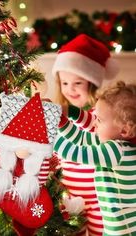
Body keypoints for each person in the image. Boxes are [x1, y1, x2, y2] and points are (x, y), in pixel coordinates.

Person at [51, 34, 119, 236]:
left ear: (92, 83)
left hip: (99, 198)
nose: (69, 89)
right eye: (64, 83)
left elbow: (96, 137)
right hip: (70, 198)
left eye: (77, 83)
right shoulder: (60, 117)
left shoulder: (101, 115)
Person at [53, 81, 136, 236]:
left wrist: (47, 131)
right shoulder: (120, 145)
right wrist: (62, 118)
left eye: (99, 120)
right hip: (118, 228)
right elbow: (81, 138)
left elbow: (74, 152)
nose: (94, 124)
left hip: (122, 231)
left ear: (124, 130)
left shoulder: (115, 151)